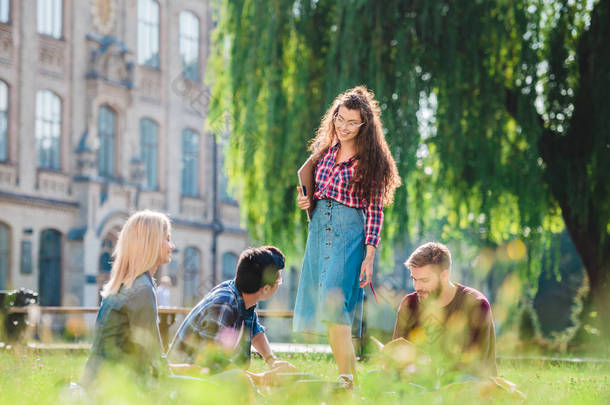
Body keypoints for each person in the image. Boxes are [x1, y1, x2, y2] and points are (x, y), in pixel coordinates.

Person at [294, 86, 401, 387]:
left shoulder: (372, 161)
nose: (343, 127)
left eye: (352, 123)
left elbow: (375, 211)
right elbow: (314, 190)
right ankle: (349, 375)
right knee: (328, 306)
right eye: (340, 119)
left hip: (348, 233)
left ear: (365, 125)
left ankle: (347, 377)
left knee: (334, 303)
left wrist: (369, 256)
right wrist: (306, 200)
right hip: (318, 230)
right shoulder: (325, 151)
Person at [167, 246, 295, 384]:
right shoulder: (224, 305)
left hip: (209, 379)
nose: (279, 284)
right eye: (279, 282)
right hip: (187, 382)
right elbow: (214, 367)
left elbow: (254, 330)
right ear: (265, 289)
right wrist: (262, 379)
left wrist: (272, 360)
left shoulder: (243, 296)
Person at [81, 210, 175, 386]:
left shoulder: (130, 284)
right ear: (151, 242)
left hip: (99, 383)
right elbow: (153, 360)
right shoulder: (142, 289)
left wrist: (180, 369)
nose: (172, 246)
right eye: (167, 239)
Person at [393, 242, 498, 379]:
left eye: (424, 280)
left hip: (465, 385)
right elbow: (395, 354)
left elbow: (475, 367)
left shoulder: (476, 305)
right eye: (414, 279)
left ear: (444, 275)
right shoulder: (409, 304)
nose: (417, 287)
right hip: (419, 381)